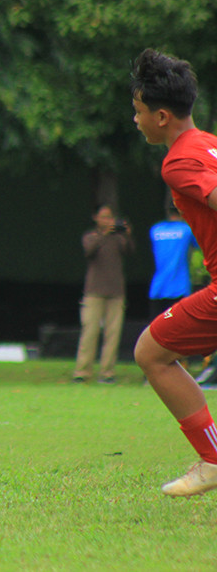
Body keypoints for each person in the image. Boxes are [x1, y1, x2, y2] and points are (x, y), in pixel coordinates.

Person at [130, 47, 217, 497]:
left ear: (162, 116)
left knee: (151, 352)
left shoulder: (180, 161)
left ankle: (213, 459)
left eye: (138, 111)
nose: (136, 120)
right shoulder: (211, 143)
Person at [72, 203, 134, 384]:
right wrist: (105, 233)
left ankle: (107, 372)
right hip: (94, 292)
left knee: (113, 334)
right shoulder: (91, 236)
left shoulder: (118, 238)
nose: (107, 221)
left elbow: (129, 250)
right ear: (96, 218)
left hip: (116, 292)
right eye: (103, 217)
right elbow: (89, 252)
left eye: (110, 217)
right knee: (89, 331)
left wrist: (127, 234)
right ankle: (82, 371)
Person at [148, 202, 197, 319]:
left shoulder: (155, 229)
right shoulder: (186, 230)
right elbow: (199, 245)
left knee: (157, 325)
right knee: (179, 324)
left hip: (158, 286)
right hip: (179, 286)